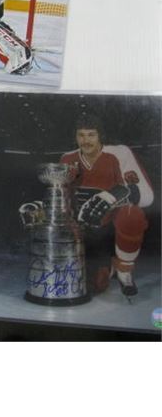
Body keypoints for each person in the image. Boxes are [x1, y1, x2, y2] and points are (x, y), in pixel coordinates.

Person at [60, 114, 154, 298]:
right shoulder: (67, 158)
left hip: (111, 227)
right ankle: (107, 266)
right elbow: (62, 198)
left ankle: (124, 270)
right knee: (96, 285)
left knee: (132, 214)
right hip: (84, 227)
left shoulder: (119, 153)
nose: (86, 140)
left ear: (100, 135)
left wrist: (110, 197)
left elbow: (147, 196)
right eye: (81, 135)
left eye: (91, 135)